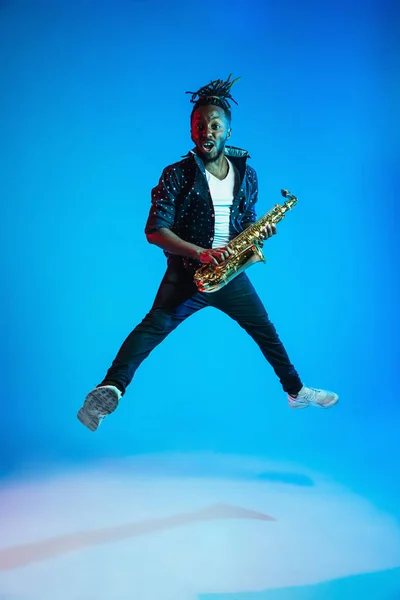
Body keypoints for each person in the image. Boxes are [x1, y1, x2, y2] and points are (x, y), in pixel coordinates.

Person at [77, 75, 339, 432]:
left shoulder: (247, 175)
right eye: (199, 125)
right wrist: (199, 253)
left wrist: (260, 234)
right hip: (189, 272)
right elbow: (155, 231)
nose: (206, 132)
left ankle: (296, 393)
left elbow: (244, 220)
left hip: (229, 271)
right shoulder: (177, 174)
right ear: (191, 131)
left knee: (266, 331)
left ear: (228, 131)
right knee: (152, 327)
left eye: (215, 125)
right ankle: (110, 389)